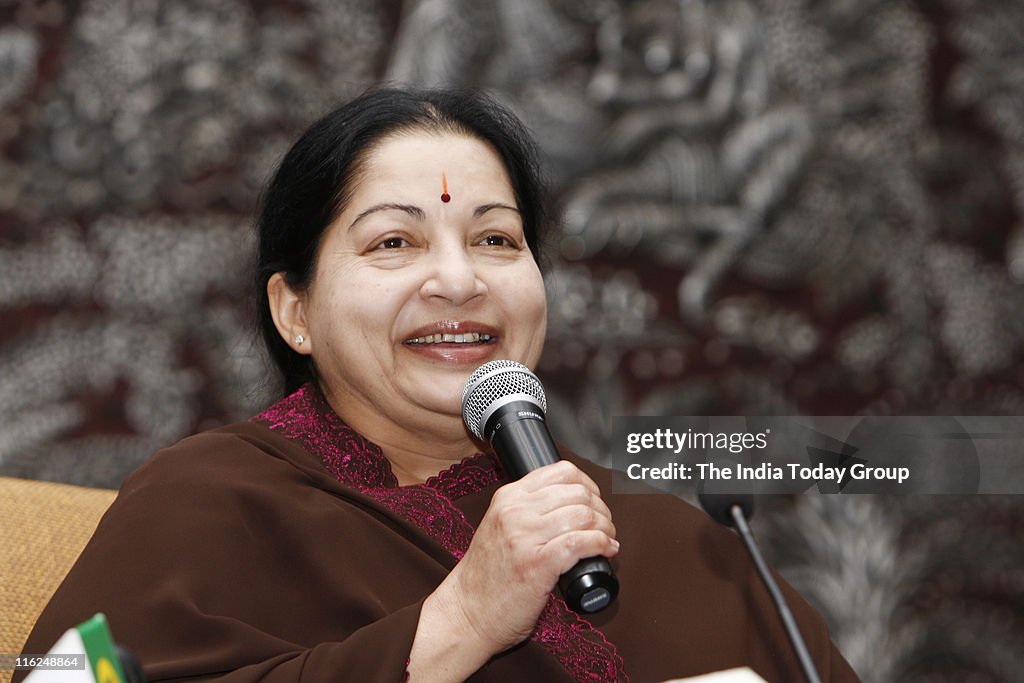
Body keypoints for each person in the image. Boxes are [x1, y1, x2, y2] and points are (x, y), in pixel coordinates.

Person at [18, 87, 860, 682]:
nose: (459, 281)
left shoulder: (672, 538)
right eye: (394, 244)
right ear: (295, 310)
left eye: (496, 240)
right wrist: (457, 621)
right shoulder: (204, 500)